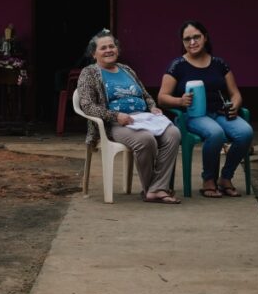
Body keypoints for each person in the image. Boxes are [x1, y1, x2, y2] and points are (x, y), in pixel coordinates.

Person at [77, 29, 182, 204]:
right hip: (116, 124)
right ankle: (153, 189)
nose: (109, 50)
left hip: (144, 118)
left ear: (117, 50)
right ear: (94, 53)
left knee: (174, 134)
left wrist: (153, 107)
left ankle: (156, 188)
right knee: (146, 140)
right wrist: (115, 115)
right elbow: (87, 106)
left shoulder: (126, 69)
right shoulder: (89, 73)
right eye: (103, 48)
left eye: (112, 46)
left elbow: (145, 95)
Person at [157, 20, 253, 198]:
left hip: (220, 113)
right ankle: (208, 179)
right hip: (193, 115)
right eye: (187, 39)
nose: (192, 42)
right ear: (183, 43)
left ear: (205, 38)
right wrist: (180, 101)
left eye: (196, 37)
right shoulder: (177, 66)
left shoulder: (219, 63)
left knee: (245, 132)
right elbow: (162, 97)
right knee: (215, 133)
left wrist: (235, 105)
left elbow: (235, 93)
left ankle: (225, 178)